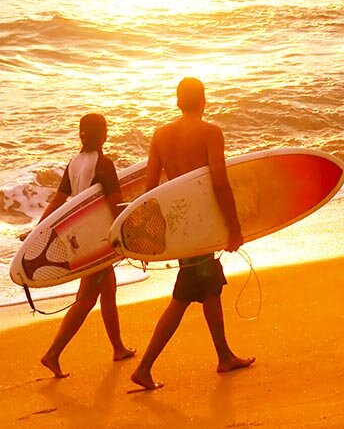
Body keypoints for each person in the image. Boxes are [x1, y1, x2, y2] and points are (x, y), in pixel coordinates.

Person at [130, 78, 254, 390]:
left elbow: (149, 188)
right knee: (184, 295)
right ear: (203, 101)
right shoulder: (210, 132)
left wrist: (144, 235)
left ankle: (224, 356)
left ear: (177, 101)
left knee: (209, 287)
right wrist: (234, 226)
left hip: (178, 223)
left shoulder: (160, 135)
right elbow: (220, 182)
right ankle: (144, 367)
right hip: (202, 223)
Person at [26, 113, 135, 377]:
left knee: (108, 291)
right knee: (86, 300)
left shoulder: (74, 164)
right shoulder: (104, 164)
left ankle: (118, 347)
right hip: (97, 239)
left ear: (81, 134)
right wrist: (132, 223)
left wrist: (37, 231)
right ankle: (53, 354)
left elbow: (58, 201)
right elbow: (115, 203)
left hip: (79, 237)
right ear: (104, 135)